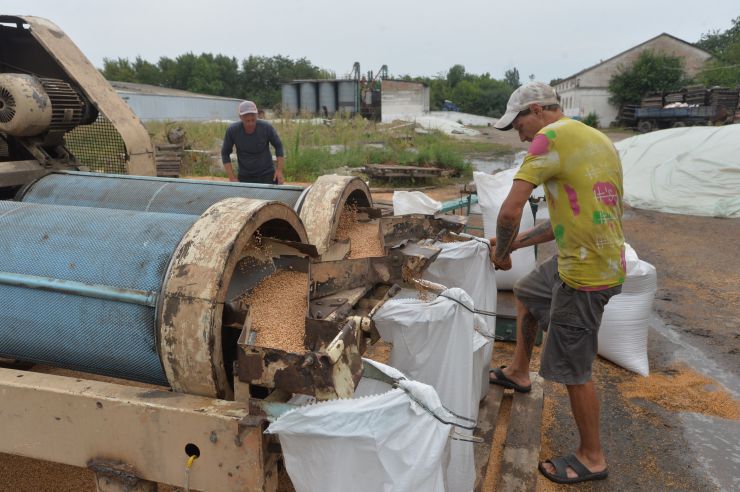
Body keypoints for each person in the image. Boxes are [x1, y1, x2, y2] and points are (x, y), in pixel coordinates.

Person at [488, 82, 625, 485]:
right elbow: (562, 222)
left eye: (519, 123)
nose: (520, 133)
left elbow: (511, 210)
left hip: (585, 275)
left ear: (536, 110)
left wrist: (501, 251)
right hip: (590, 255)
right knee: (528, 291)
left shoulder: (548, 139)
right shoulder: (595, 138)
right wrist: (515, 243)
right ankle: (518, 371)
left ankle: (592, 457)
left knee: (572, 367)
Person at [221, 100, 285, 184]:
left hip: (267, 175)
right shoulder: (233, 130)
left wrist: (279, 171)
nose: (250, 123)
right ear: (240, 117)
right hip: (245, 176)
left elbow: (278, 146)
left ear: (257, 115)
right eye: (247, 121)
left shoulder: (266, 128)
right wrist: (232, 178)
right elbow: (225, 153)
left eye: (253, 120)